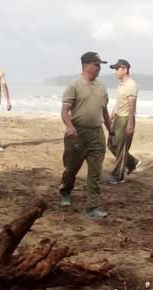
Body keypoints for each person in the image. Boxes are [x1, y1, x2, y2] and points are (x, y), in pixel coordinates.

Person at [58, 51, 113, 220]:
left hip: (97, 134)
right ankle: (65, 191)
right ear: (85, 65)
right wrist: (70, 126)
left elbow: (104, 111)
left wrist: (110, 131)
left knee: (95, 172)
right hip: (77, 133)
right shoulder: (73, 85)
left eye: (99, 65)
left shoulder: (102, 86)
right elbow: (65, 110)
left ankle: (92, 208)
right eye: (96, 65)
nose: (98, 68)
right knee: (71, 168)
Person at [107, 59, 140, 184]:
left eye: (117, 69)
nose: (116, 71)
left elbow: (132, 105)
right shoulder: (121, 84)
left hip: (126, 119)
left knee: (121, 149)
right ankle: (132, 163)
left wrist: (130, 123)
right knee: (111, 144)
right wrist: (110, 117)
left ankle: (117, 176)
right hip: (118, 118)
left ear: (125, 69)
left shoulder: (131, 84)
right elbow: (118, 102)